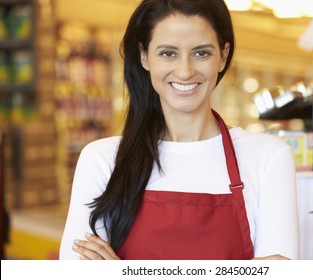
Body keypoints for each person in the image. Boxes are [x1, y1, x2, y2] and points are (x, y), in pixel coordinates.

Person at [59, 0, 299, 260]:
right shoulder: (102, 160)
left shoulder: (268, 157)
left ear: (223, 56)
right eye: (168, 53)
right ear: (144, 56)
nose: (185, 71)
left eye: (201, 53)